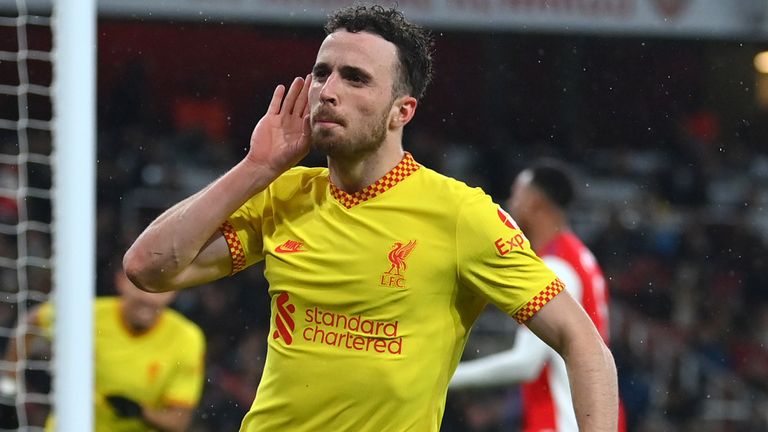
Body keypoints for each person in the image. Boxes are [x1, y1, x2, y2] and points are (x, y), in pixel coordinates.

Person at [123, 5, 618, 431]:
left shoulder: (462, 214)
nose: (327, 90)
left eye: (355, 78)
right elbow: (148, 267)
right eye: (322, 73)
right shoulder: (283, 194)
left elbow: (583, 342)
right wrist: (256, 167)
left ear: (401, 111)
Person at [450, 160, 626, 431]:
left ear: (534, 202)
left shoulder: (556, 267)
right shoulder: (579, 256)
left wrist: (448, 376)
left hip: (564, 421)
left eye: (516, 193)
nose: (510, 202)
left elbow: (526, 363)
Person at [0, 266, 205, 432]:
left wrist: (140, 412)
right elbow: (31, 323)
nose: (150, 298)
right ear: (121, 281)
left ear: (174, 292)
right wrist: (8, 382)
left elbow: (179, 422)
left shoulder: (187, 338)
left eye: (161, 289)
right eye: (143, 287)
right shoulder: (86, 314)